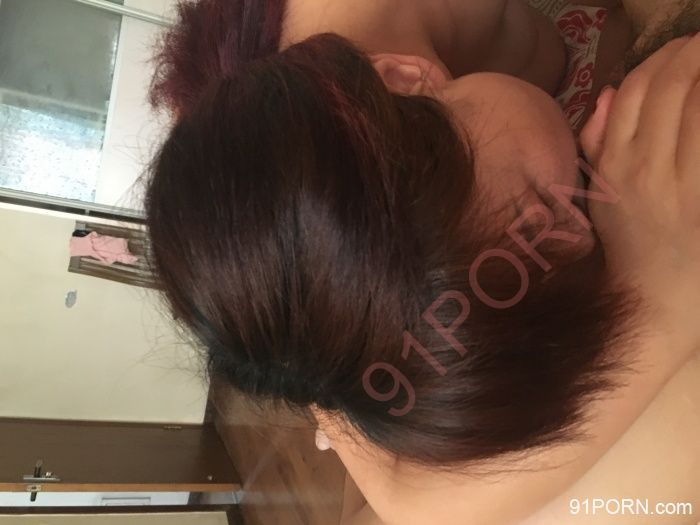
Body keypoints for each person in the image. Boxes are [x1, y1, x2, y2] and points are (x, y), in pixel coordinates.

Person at [144, 0, 700, 523]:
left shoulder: (323, 169)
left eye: (537, 213)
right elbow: (416, 499)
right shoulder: (295, 246)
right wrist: (661, 299)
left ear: (406, 79)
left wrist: (665, 289)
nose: (581, 237)